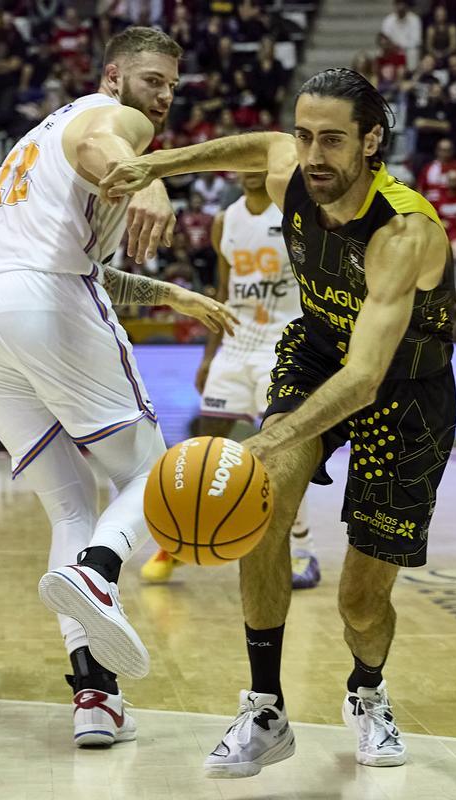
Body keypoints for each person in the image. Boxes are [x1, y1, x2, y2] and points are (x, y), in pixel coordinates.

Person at [101, 68, 456, 776]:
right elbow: (251, 145)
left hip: (404, 390)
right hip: (317, 349)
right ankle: (265, 707)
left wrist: (266, 437)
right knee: (263, 497)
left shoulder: (404, 231)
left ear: (372, 141)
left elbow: (367, 378)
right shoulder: (290, 163)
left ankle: (368, 691)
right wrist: (156, 164)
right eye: (306, 135)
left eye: (332, 140)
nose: (313, 154)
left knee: (360, 602)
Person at [0, 27, 237, 747]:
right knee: (153, 473)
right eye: (150, 80)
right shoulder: (111, 121)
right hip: (44, 303)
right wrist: (153, 177)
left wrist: (168, 293)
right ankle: (105, 571)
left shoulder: (39, 138)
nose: (162, 96)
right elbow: (105, 147)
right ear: (113, 76)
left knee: (71, 505)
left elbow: (75, 257)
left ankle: (93, 696)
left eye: (172, 85)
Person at [140, 171, 320, 591]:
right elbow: (222, 292)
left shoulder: (296, 212)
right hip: (235, 346)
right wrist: (208, 357)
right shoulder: (225, 220)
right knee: (203, 446)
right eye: (242, 158)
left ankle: (303, 550)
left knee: (286, 452)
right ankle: (179, 542)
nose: (251, 166)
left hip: (283, 345)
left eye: (259, 156)